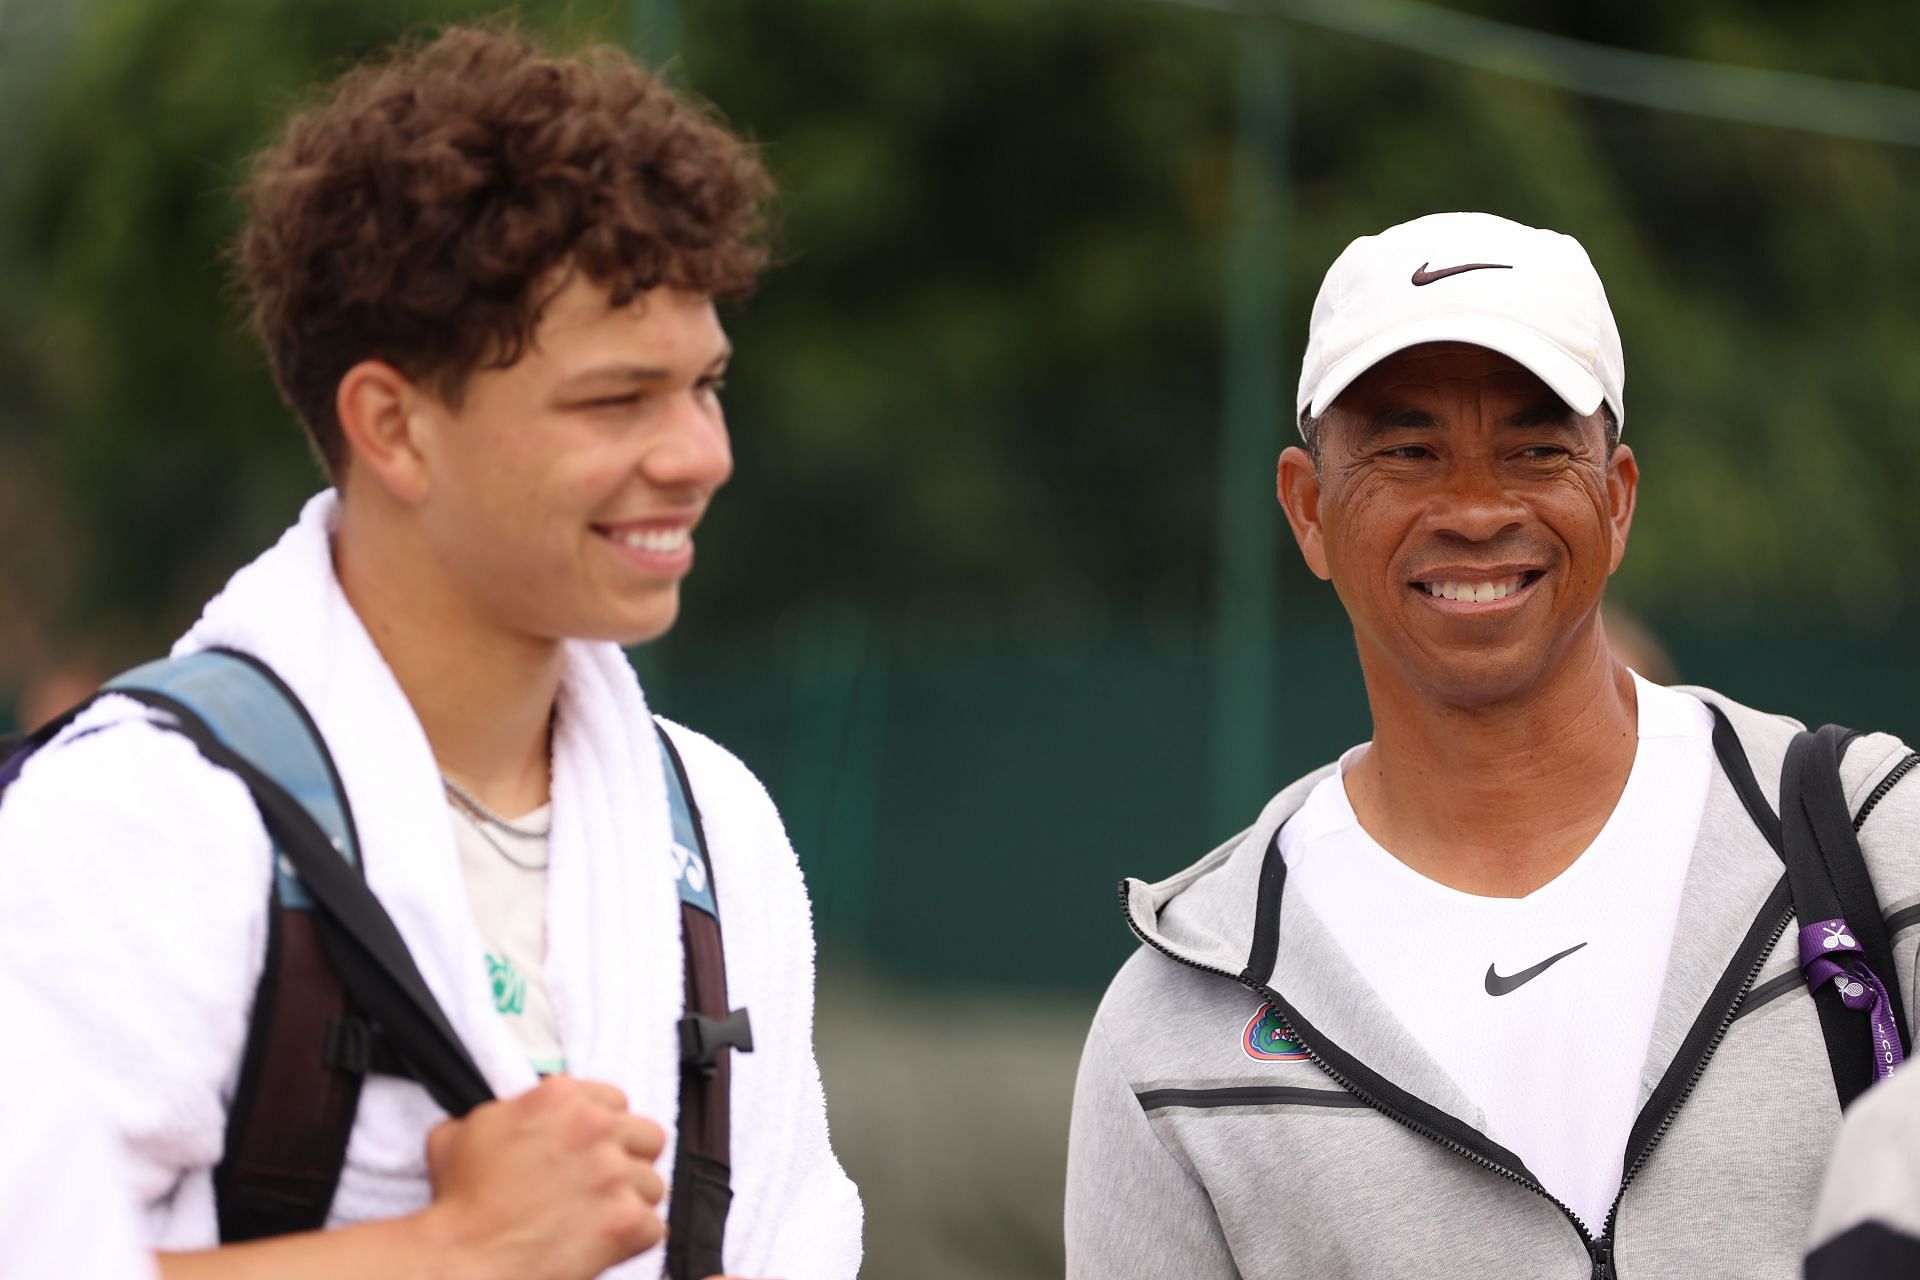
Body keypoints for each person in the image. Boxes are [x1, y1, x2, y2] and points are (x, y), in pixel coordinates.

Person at [0, 25, 860, 1280]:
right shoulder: (135, 825)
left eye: (707, 385)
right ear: (394, 426)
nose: (699, 454)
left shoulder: (716, 836)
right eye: (617, 398)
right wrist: (456, 1248)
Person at [1063, 211, 1920, 1278]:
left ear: (1615, 499)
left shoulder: (1874, 847)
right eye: (1409, 450)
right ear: (1308, 507)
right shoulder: (1179, 1024)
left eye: (1534, 448)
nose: (1474, 507)